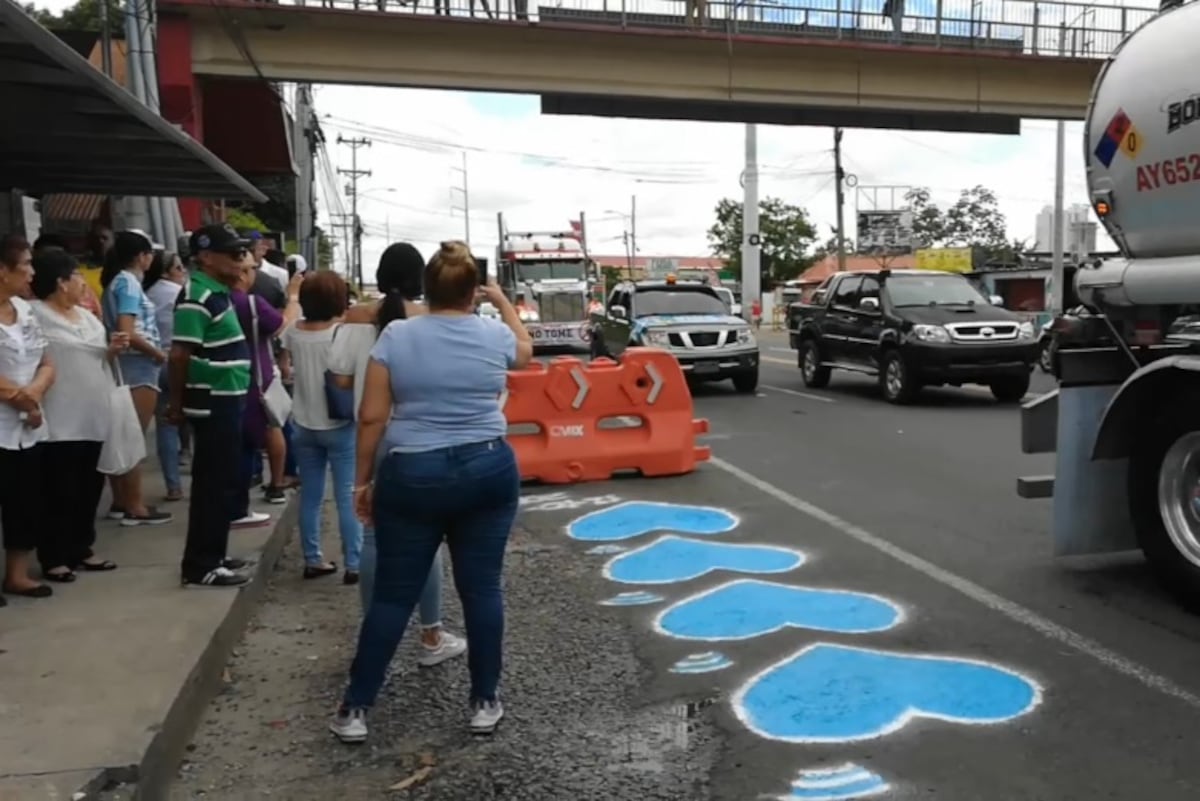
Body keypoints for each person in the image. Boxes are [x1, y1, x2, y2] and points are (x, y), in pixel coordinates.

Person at [330, 241, 532, 744]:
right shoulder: (492, 333)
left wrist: (362, 481)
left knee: (394, 596)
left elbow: (373, 416)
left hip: (412, 473)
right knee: (482, 589)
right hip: (487, 466)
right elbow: (525, 352)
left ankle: (357, 708)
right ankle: (484, 700)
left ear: (428, 286)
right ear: (471, 292)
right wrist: (503, 301)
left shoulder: (397, 335)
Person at [327, 242, 466, 665]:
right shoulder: (430, 321)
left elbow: (342, 381)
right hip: (422, 439)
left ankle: (375, 637)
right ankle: (431, 637)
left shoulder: (353, 320)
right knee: (425, 540)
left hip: (371, 440)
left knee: (372, 536)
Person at [168, 224, 257, 588]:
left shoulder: (217, 292)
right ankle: (201, 564)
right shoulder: (197, 296)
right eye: (233, 254)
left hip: (227, 397)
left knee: (222, 480)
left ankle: (215, 554)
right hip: (212, 401)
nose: (241, 261)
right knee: (211, 484)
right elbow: (179, 355)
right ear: (205, 257)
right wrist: (176, 404)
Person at [30, 248, 125, 581]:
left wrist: (112, 350)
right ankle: (54, 554)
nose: (83, 283)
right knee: (58, 490)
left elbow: (97, 356)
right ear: (60, 282)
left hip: (93, 414)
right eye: (76, 276)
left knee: (89, 487)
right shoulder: (35, 315)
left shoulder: (85, 317)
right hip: (59, 417)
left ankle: (82, 547)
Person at [280, 271, 363, 582]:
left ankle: (313, 558)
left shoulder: (293, 331)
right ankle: (354, 563)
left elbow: (284, 366)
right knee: (346, 495)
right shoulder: (344, 333)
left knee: (311, 495)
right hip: (339, 423)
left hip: (302, 423)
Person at [100, 231, 172, 526]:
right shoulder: (128, 283)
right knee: (133, 438)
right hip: (138, 366)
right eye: (149, 254)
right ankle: (135, 505)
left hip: (126, 365)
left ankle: (121, 500)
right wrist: (157, 354)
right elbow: (127, 330)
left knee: (122, 435)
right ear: (141, 256)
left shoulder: (116, 282)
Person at [0, 234, 55, 601]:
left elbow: (47, 361)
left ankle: (16, 575)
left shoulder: (25, 309)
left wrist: (34, 394)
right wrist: (20, 398)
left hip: (29, 422)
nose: (32, 273)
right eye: (25, 266)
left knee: (23, 501)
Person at [232, 253, 302, 512]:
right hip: (258, 375)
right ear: (241, 273)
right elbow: (283, 324)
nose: (255, 273)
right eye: (252, 268)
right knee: (273, 427)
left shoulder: (216, 299)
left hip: (232, 377)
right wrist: (293, 295)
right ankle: (276, 483)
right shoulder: (251, 304)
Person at [144, 251, 188, 501]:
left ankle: (173, 486)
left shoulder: (146, 294)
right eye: (179, 268)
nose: (183, 273)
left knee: (165, 425)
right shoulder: (179, 294)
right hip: (179, 361)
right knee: (196, 420)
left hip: (154, 362)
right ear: (166, 271)